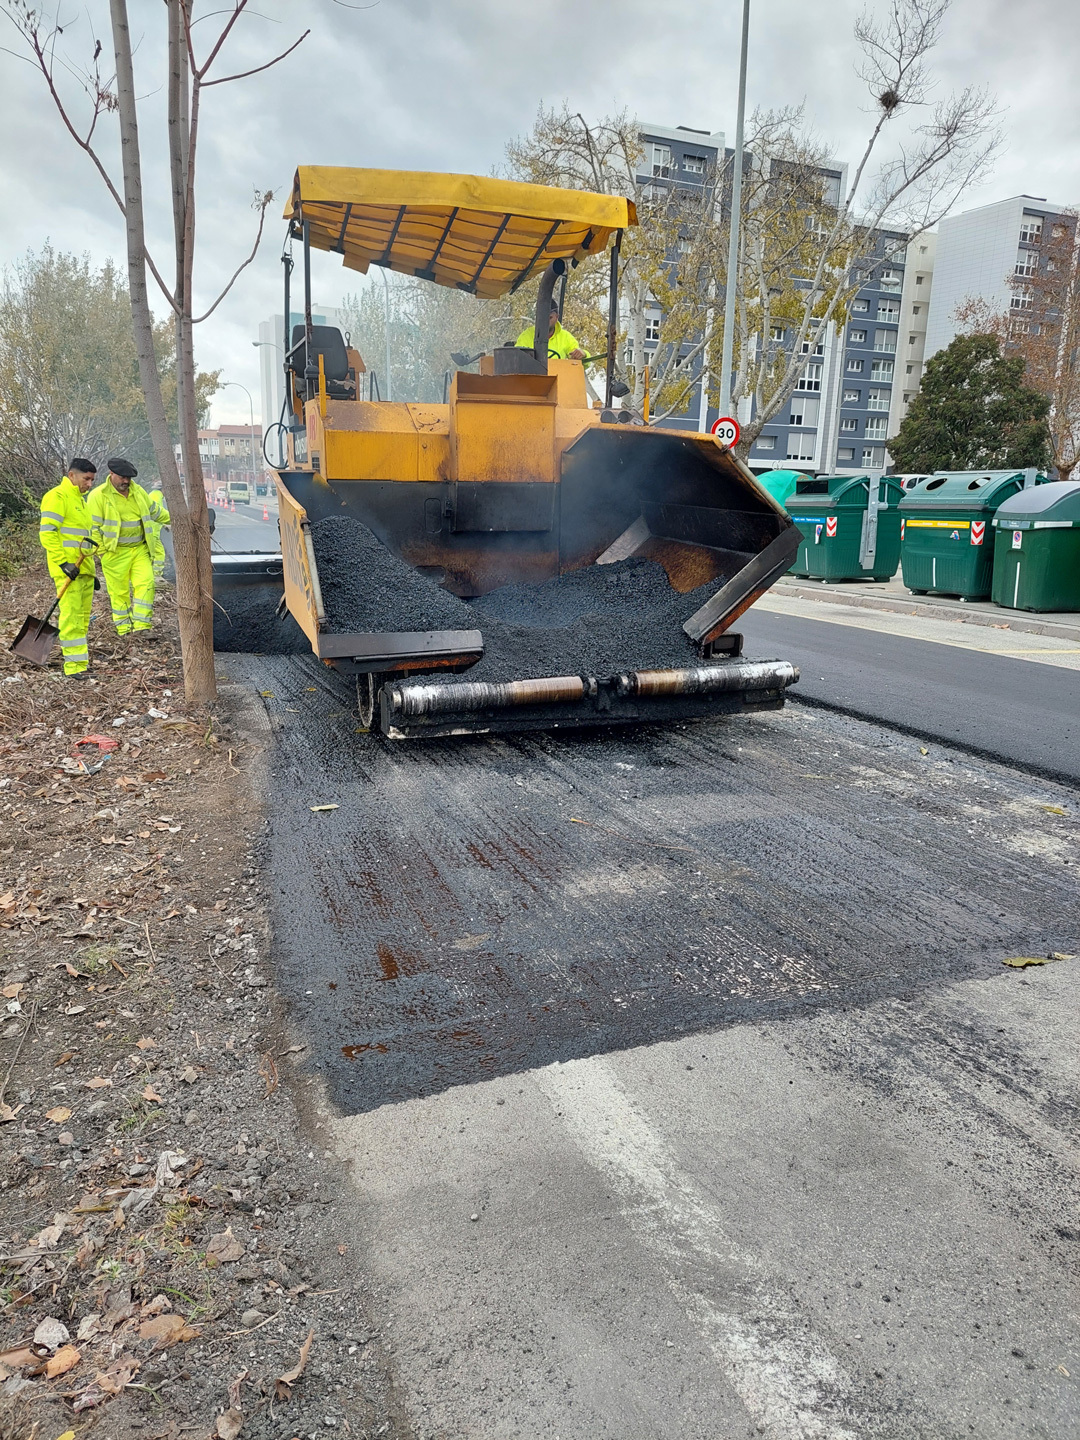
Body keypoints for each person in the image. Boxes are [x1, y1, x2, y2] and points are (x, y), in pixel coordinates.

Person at [88, 458, 170, 637]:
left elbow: (156, 512)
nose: (126, 481)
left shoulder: (138, 491)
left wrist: (178, 520)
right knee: (119, 592)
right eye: (123, 477)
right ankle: (124, 629)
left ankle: (141, 627)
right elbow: (92, 528)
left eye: (129, 478)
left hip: (139, 549)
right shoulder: (98, 496)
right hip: (114, 553)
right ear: (112, 474)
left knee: (146, 584)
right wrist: (102, 552)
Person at [38, 458, 99, 677]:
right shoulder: (56, 497)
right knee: (71, 617)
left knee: (82, 618)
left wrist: (92, 572)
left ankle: (80, 663)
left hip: (83, 570)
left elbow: (84, 541)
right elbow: (47, 533)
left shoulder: (81, 501)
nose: (89, 484)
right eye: (86, 479)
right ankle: (73, 667)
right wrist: (63, 563)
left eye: (92, 480)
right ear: (71, 475)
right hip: (67, 571)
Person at [515, 301, 587, 360]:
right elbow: (515, 357)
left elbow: (581, 360)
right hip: (533, 376)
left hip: (558, 376)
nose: (545, 321)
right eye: (543, 317)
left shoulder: (566, 338)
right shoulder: (527, 336)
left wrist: (583, 354)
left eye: (550, 317)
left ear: (557, 317)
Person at [144, 485, 168, 579]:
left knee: (160, 552)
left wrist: (163, 524)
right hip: (151, 532)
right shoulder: (156, 496)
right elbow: (157, 513)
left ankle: (156, 573)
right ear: (163, 488)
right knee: (152, 554)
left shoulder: (155, 495)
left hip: (153, 532)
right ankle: (153, 575)